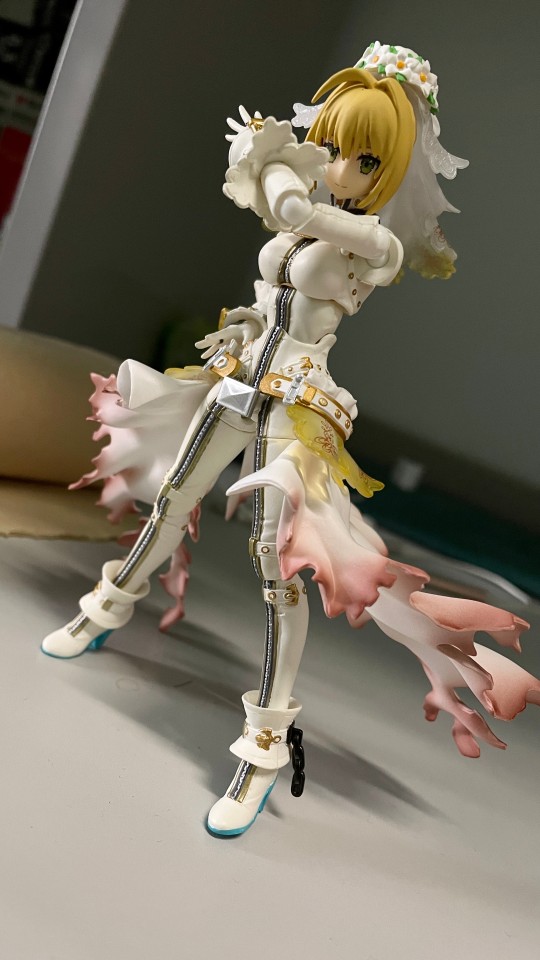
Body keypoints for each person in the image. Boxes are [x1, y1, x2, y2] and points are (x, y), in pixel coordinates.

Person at [41, 42, 540, 837]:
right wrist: (246, 321)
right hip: (241, 379)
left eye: (364, 158)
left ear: (392, 169)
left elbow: (294, 212)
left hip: (297, 408)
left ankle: (265, 742)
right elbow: (279, 270)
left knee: (276, 567)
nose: (341, 169)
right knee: (172, 496)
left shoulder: (376, 244)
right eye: (332, 146)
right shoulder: (314, 213)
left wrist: (268, 161)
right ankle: (107, 605)